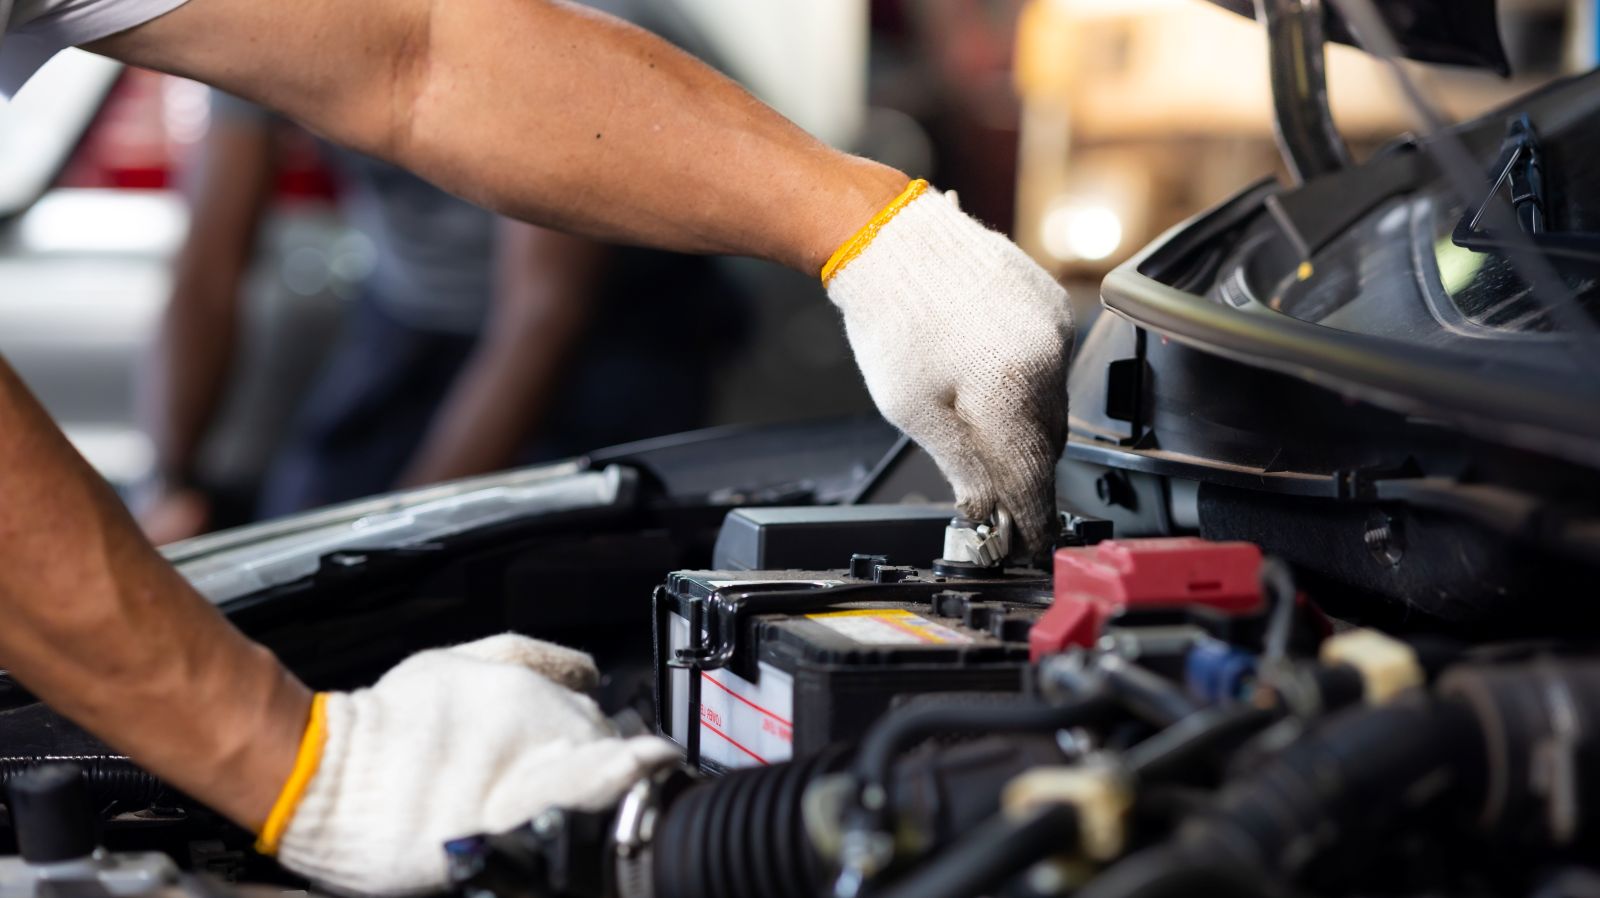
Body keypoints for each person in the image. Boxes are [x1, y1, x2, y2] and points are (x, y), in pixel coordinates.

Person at [0, 0, 1075, 894]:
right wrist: (293, 762)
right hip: (421, 316)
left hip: (595, 311)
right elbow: (214, 246)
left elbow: (412, 52)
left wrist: (874, 231)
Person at [139, 88, 744, 543]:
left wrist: (407, 542)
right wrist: (170, 484)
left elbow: (544, 311)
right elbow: (209, 267)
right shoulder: (259, 24)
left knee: (547, 561)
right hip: (408, 310)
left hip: (613, 323)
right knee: (300, 540)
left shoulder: (559, 31)